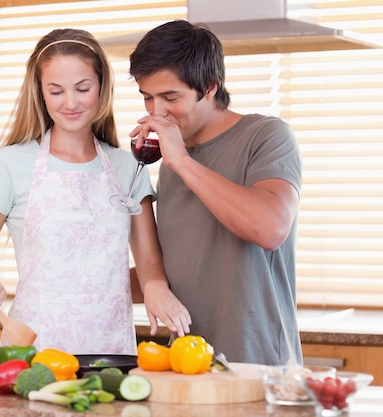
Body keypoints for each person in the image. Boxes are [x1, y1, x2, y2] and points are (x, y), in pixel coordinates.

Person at [0, 28, 191, 355]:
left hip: (110, 352)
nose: (70, 103)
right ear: (39, 92)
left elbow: (150, 260)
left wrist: (155, 286)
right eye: (56, 91)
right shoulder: (11, 163)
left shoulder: (128, 167)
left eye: (82, 88)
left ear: (101, 87)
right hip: (34, 350)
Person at [128, 20, 303, 365]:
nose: (156, 112)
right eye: (148, 97)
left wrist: (180, 160)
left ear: (209, 87)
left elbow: (269, 228)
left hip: (258, 365)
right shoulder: (172, 164)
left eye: (170, 97)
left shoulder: (266, 136)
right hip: (188, 362)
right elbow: (186, 267)